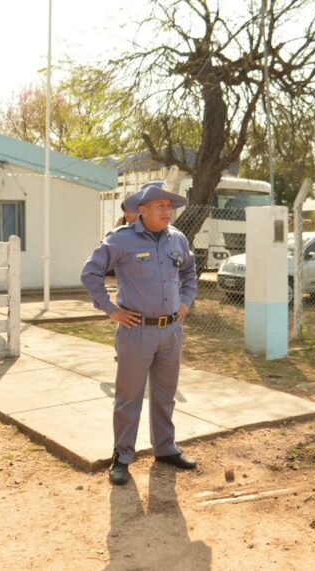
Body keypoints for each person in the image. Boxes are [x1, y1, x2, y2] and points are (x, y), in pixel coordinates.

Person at [81, 181, 198, 486]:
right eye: (160, 206)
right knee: (128, 397)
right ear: (141, 210)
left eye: (170, 206)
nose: (167, 211)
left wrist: (185, 301)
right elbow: (90, 273)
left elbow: (189, 272)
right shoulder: (121, 240)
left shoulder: (178, 239)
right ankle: (122, 457)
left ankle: (165, 448)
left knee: (165, 395)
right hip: (136, 331)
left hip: (171, 331)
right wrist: (110, 309)